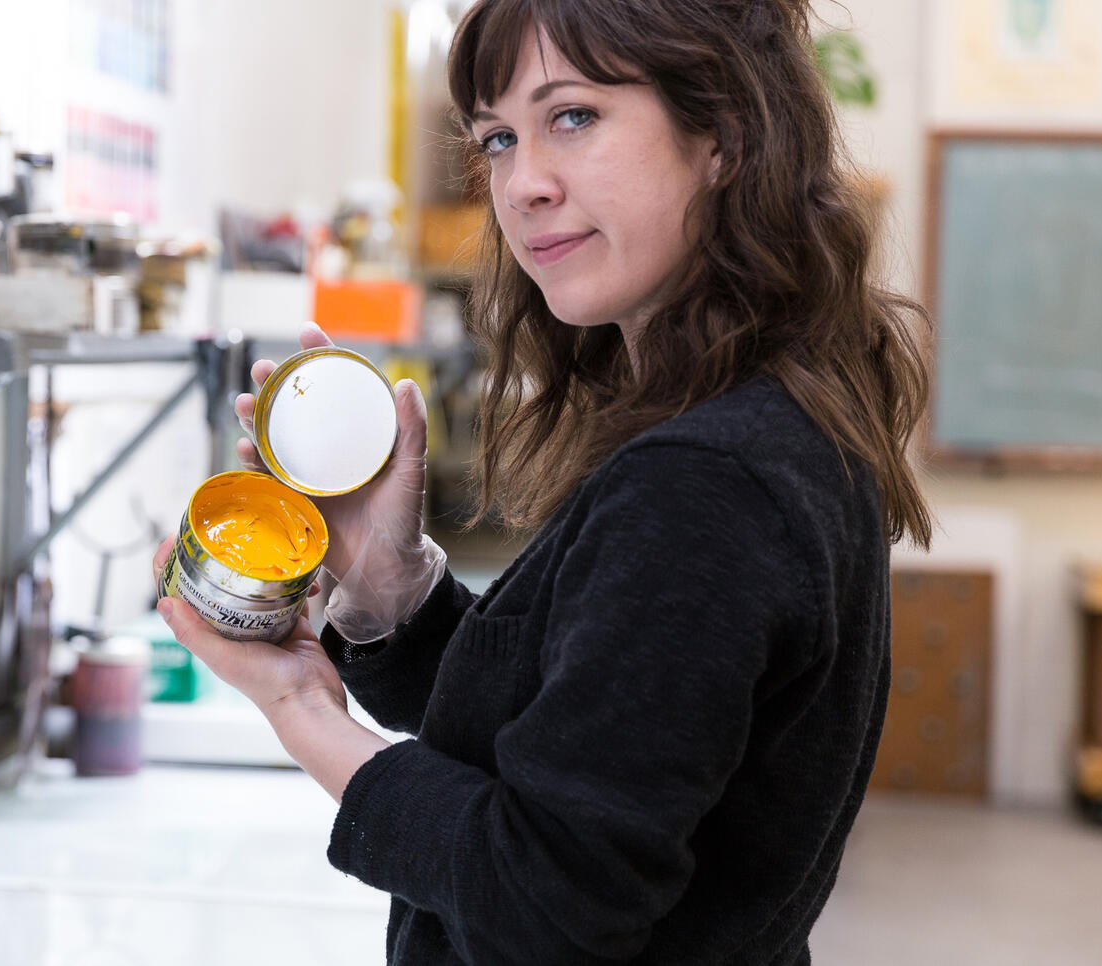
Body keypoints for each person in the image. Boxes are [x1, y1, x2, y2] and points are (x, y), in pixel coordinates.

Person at [152, 0, 933, 961]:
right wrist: (387, 587)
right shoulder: (760, 419)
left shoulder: (703, 483)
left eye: (573, 117)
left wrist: (300, 706)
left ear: (724, 134)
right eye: (496, 139)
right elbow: (583, 743)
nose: (521, 185)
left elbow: (548, 897)